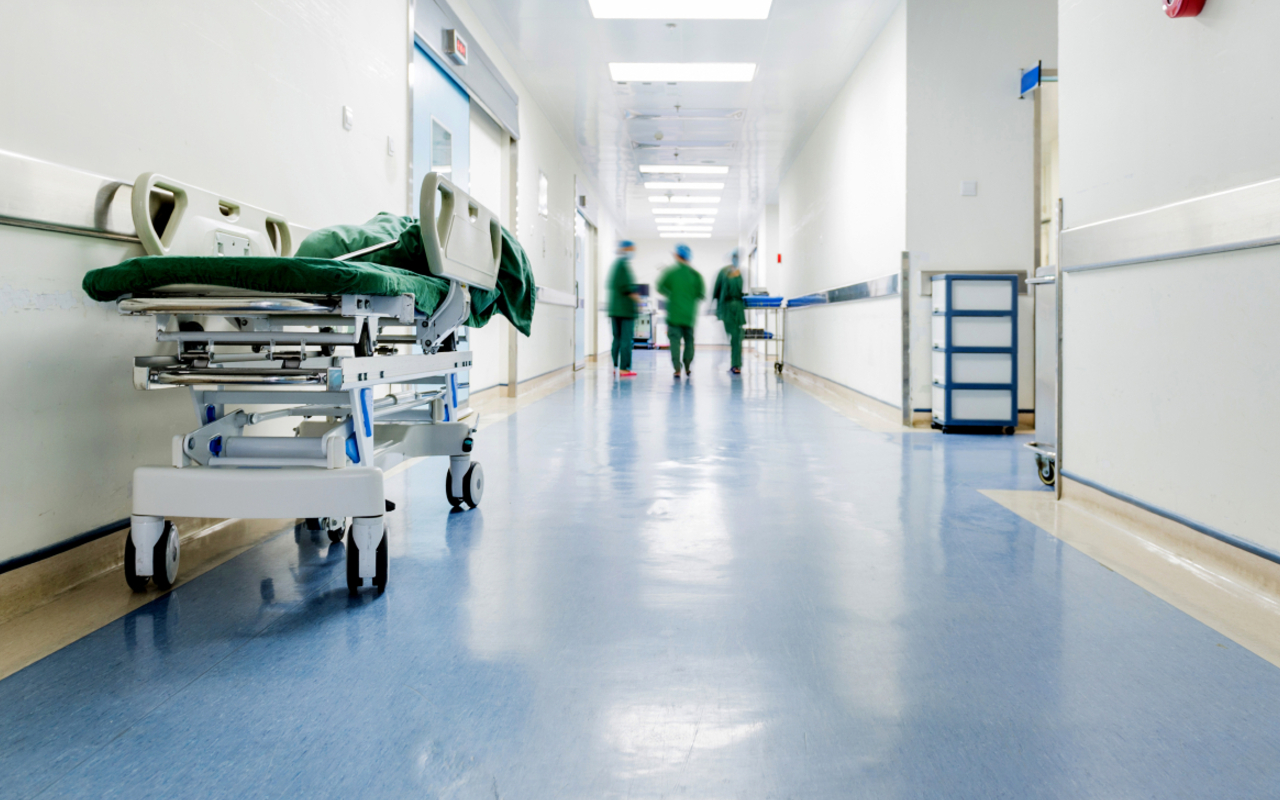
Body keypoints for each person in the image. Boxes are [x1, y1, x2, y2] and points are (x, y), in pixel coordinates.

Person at [656, 243, 706, 379]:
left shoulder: (670, 272)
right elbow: (700, 294)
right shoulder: (696, 275)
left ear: (677, 255)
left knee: (674, 342)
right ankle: (688, 367)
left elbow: (660, 287)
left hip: (674, 314)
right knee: (689, 341)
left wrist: (672, 294)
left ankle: (677, 369)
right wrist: (688, 299)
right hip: (689, 315)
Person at [607, 240, 640, 377]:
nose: (633, 251)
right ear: (625, 249)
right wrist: (638, 299)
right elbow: (628, 288)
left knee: (617, 338)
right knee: (626, 339)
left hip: (615, 309)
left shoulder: (615, 265)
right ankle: (624, 368)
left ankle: (615, 366)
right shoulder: (623, 266)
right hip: (625, 311)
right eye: (631, 248)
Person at [713, 250, 746, 375]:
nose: (736, 259)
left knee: (737, 337)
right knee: (732, 336)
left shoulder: (740, 274)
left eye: (738, 257)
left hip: (738, 309)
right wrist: (716, 310)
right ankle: (732, 363)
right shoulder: (723, 273)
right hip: (726, 308)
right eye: (734, 257)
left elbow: (740, 291)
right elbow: (716, 291)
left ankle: (736, 365)